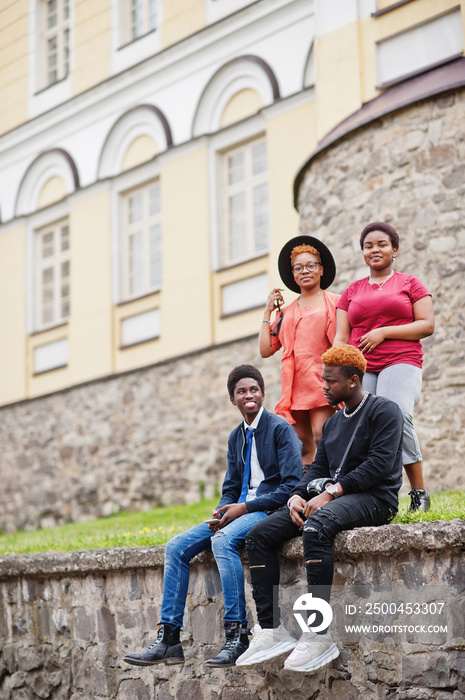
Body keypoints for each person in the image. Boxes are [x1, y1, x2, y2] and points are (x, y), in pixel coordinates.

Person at [236, 345, 403, 672]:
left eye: (330, 382)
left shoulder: (385, 411)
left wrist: (332, 492)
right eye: (322, 380)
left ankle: (318, 634)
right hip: (337, 497)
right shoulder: (333, 423)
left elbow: (379, 465)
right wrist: (296, 495)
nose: (322, 387)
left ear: (353, 381)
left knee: (316, 527)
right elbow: (317, 468)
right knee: (259, 536)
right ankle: (271, 630)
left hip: (376, 498)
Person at [123, 364, 302, 669]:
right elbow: (231, 487)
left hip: (268, 508)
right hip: (239, 510)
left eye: (254, 390)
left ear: (262, 393)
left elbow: (290, 487)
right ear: (233, 399)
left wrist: (242, 509)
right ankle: (169, 639)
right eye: (241, 391)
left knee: (222, 541)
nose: (249, 395)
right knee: (176, 547)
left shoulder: (280, 429)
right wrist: (222, 511)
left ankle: (237, 636)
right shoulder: (236, 438)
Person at [334, 221, 434, 512]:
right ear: (362, 252)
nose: (374, 250)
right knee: (362, 425)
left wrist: (384, 331)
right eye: (368, 246)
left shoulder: (410, 283)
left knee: (397, 413)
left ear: (395, 249)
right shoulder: (351, 291)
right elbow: (341, 337)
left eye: (381, 244)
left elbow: (426, 325)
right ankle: (370, 496)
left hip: (401, 359)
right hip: (361, 368)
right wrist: (334, 368)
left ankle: (418, 493)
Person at [260, 235, 340, 467]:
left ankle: (331, 489)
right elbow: (266, 350)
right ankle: (307, 495)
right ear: (293, 274)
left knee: (322, 437)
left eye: (310, 265)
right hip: (294, 388)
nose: (305, 271)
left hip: (322, 382)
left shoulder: (335, 302)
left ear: (321, 269)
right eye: (298, 268)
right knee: (302, 444)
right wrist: (267, 312)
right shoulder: (285, 312)